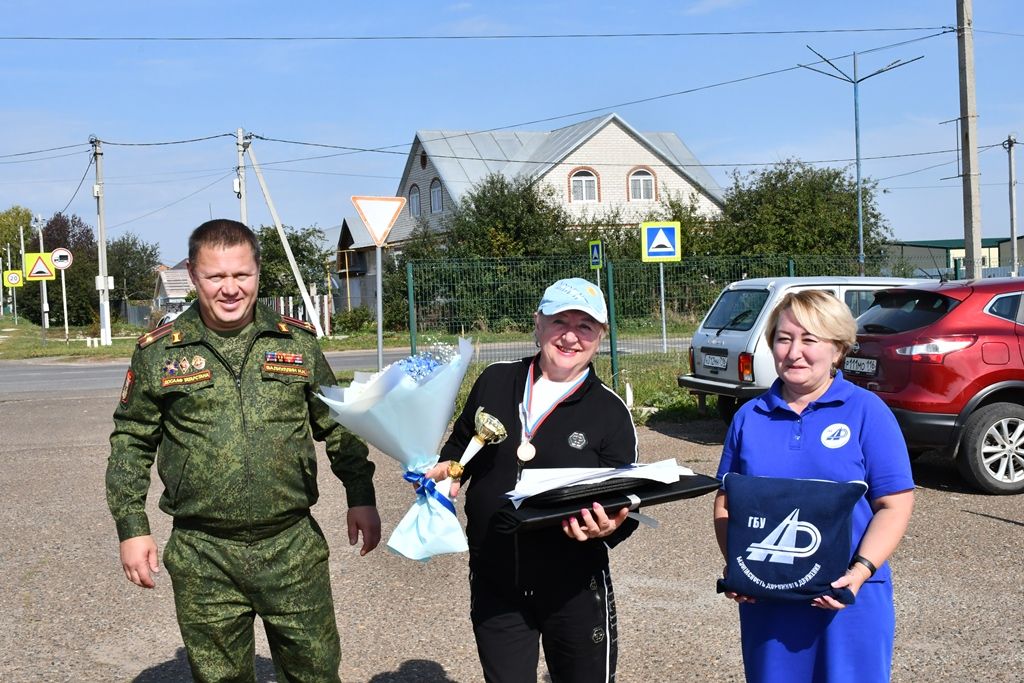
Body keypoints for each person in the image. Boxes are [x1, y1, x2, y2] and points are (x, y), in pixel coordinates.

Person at [106, 219, 381, 682]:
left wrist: (361, 496)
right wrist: (132, 527)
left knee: (315, 671)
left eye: (242, 275)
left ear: (258, 274)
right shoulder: (159, 353)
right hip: (203, 552)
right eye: (216, 277)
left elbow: (337, 425)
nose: (230, 289)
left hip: (291, 546)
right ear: (194, 276)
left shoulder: (296, 343)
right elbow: (131, 442)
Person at [426, 277, 639, 683]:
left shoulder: (610, 413)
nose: (571, 337)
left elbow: (626, 503)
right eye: (560, 321)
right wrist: (447, 469)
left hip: (574, 587)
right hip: (495, 580)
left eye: (585, 327)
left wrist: (611, 527)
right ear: (538, 323)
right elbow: (460, 443)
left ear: (600, 337)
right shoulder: (495, 380)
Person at [713, 289, 915, 682]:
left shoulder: (867, 411)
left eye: (810, 339)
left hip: (847, 599)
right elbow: (727, 501)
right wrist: (740, 567)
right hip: (769, 601)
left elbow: (895, 504)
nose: (794, 352)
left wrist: (858, 572)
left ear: (838, 349)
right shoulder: (749, 417)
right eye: (784, 338)